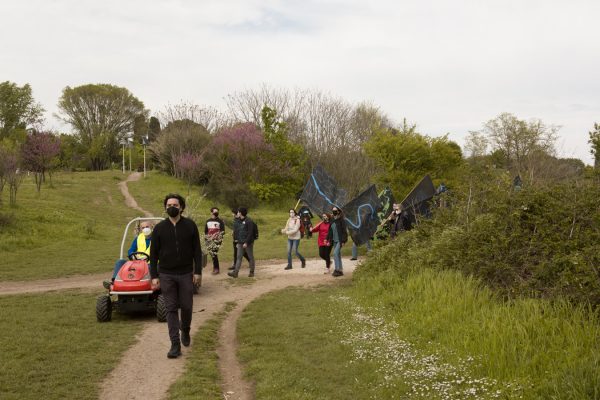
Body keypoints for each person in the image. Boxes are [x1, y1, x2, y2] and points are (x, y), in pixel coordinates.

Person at [150, 193, 203, 359]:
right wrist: (154, 275)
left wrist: (198, 272)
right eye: (169, 205)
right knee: (171, 309)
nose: (171, 207)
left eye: (175, 204)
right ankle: (175, 344)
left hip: (186, 273)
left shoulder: (190, 226)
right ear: (165, 207)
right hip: (166, 274)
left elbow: (197, 251)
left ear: (181, 207)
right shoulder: (159, 228)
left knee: (187, 306)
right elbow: (153, 254)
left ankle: (185, 330)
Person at [104, 220, 154, 289]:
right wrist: (133, 255)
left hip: (151, 262)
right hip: (137, 262)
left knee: (150, 267)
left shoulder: (157, 237)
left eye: (147, 227)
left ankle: (149, 283)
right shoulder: (138, 238)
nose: (145, 229)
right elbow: (131, 250)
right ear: (141, 229)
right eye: (143, 227)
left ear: (151, 227)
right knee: (120, 262)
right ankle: (114, 282)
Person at [228, 207, 257, 278]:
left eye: (238, 212)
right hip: (240, 242)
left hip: (248, 243)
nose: (237, 213)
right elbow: (238, 232)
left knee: (250, 257)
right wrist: (237, 242)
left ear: (240, 213)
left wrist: (246, 243)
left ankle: (252, 272)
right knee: (239, 257)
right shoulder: (238, 221)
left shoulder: (249, 221)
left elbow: (250, 233)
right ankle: (235, 273)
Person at [327, 206, 348, 277]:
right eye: (333, 210)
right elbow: (330, 231)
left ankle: (337, 270)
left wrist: (344, 240)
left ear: (338, 211)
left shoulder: (341, 220)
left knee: (335, 253)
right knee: (338, 255)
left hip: (340, 240)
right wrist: (328, 239)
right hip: (334, 240)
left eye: (335, 210)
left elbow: (344, 231)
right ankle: (340, 270)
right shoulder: (332, 219)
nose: (334, 212)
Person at [205, 207, 225, 275]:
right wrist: (208, 238)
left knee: (214, 253)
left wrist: (216, 236)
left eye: (217, 211)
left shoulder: (220, 221)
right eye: (215, 211)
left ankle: (216, 269)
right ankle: (215, 267)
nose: (216, 213)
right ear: (211, 212)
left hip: (217, 240)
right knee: (212, 254)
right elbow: (206, 231)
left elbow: (222, 231)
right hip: (209, 240)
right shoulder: (208, 221)